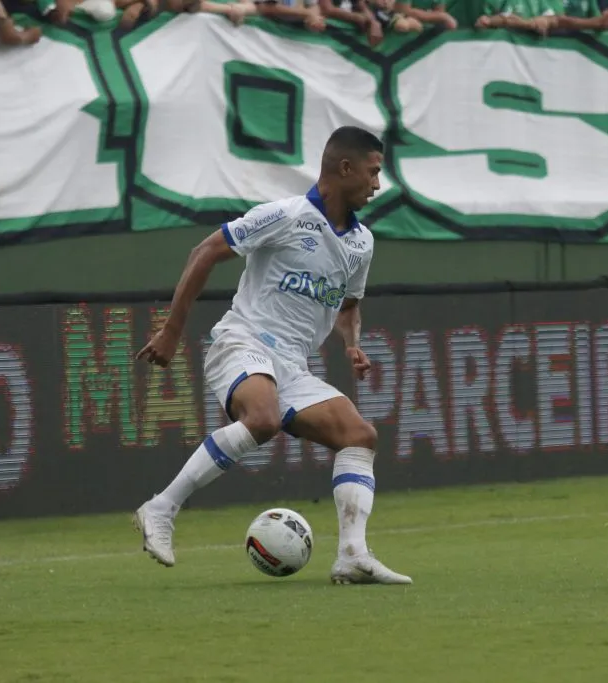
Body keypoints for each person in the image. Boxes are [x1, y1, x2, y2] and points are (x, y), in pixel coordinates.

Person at [133, 126, 412, 586]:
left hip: (292, 368)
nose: (377, 184)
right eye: (373, 172)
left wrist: (351, 342)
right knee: (261, 419)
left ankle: (352, 555)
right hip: (243, 343)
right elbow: (204, 252)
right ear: (345, 168)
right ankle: (160, 508)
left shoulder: (362, 243)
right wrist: (171, 332)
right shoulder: (285, 215)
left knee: (360, 436)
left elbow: (348, 305)